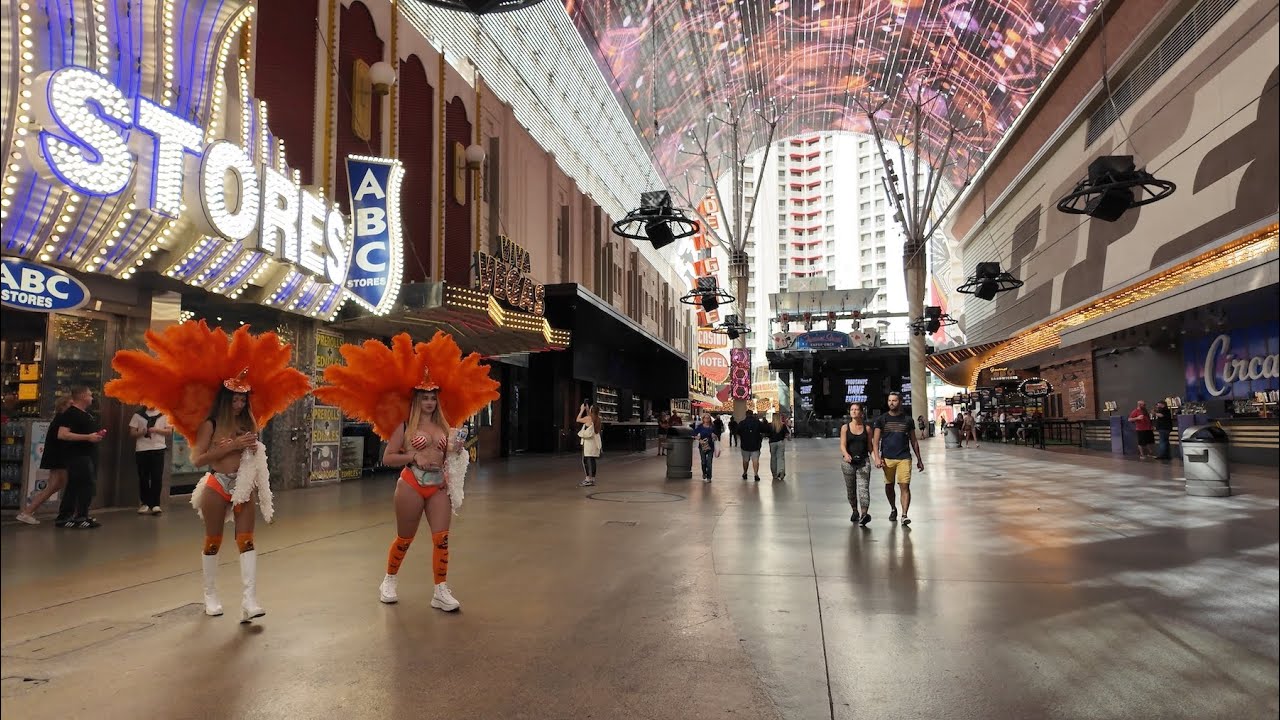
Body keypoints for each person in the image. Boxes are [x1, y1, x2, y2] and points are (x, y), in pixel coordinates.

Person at [105, 320, 311, 622]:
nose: (240, 403)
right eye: (235, 398)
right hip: (216, 485)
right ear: (225, 399)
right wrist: (229, 446)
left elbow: (251, 453)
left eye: (244, 398)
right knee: (213, 541)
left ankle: (249, 599)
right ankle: (210, 595)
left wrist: (252, 447)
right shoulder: (210, 424)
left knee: (247, 540)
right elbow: (199, 460)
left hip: (243, 485)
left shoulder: (249, 424)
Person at [314, 331, 498, 612]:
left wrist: (456, 452)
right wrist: (414, 457)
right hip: (411, 484)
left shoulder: (445, 427)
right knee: (405, 538)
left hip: (438, 486)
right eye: (424, 397)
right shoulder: (404, 427)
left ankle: (440, 590)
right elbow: (387, 458)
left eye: (433, 397)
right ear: (416, 400)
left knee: (442, 539)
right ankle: (389, 580)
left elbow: (452, 456)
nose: (429, 402)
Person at [52, 387, 106, 529]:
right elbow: (62, 434)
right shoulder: (70, 414)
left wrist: (94, 436)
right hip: (76, 455)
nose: (92, 398)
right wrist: (88, 437)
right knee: (83, 485)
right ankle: (78, 516)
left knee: (77, 485)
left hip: (86, 454)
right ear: (82, 396)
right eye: (89, 395)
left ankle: (71, 515)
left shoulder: (85, 414)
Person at [15, 395, 73, 525]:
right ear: (63, 406)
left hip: (55, 455)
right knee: (55, 485)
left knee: (56, 485)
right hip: (58, 456)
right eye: (70, 404)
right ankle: (28, 511)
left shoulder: (59, 418)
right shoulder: (63, 419)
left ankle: (29, 510)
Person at [872, 392, 924, 526]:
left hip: (904, 458)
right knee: (889, 486)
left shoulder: (908, 420)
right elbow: (876, 441)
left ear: (900, 402)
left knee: (904, 486)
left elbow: (914, 441)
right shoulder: (881, 420)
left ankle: (904, 515)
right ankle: (893, 508)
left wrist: (919, 459)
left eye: (894, 400)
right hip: (887, 458)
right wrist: (877, 458)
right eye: (889, 400)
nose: (891, 403)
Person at [129, 406, 171, 514]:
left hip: (158, 448)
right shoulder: (138, 415)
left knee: (157, 476)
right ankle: (145, 503)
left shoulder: (164, 414)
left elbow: (169, 431)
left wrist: (156, 430)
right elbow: (132, 433)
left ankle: (156, 504)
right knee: (143, 477)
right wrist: (142, 432)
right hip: (142, 449)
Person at [840, 402, 873, 525]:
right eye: (852, 409)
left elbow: (870, 447)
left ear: (861, 412)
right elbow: (842, 445)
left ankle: (864, 514)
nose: (853, 411)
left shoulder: (867, 428)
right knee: (851, 489)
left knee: (864, 488)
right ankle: (854, 510)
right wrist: (846, 454)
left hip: (863, 462)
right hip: (848, 463)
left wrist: (876, 459)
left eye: (856, 409)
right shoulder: (845, 428)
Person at [576, 401, 603, 486]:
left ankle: (587, 479)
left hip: (588, 443)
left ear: (591, 410)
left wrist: (581, 410)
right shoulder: (598, 418)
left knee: (585, 460)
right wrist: (587, 409)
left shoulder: (588, 418)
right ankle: (593, 479)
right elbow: (591, 418)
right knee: (592, 460)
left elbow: (578, 419)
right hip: (595, 443)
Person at [736, 409, 765, 482]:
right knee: (755, 461)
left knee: (745, 460)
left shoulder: (742, 423)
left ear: (746, 415)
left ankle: (745, 473)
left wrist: (742, 436)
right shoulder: (757, 423)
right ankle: (756, 474)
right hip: (755, 444)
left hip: (745, 445)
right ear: (752, 414)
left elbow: (737, 432)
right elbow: (763, 430)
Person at [693, 413, 720, 482]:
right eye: (705, 418)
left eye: (708, 418)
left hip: (710, 446)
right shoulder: (700, 426)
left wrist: (714, 436)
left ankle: (709, 477)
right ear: (703, 419)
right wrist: (699, 439)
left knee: (709, 462)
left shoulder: (712, 427)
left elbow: (717, 437)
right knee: (703, 462)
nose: (707, 419)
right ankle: (704, 473)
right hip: (702, 446)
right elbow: (694, 434)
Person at [767, 412, 790, 481]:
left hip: (772, 443)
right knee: (780, 458)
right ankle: (780, 471)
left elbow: (767, 434)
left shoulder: (770, 425)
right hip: (780, 442)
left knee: (773, 458)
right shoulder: (782, 425)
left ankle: (774, 474)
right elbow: (787, 434)